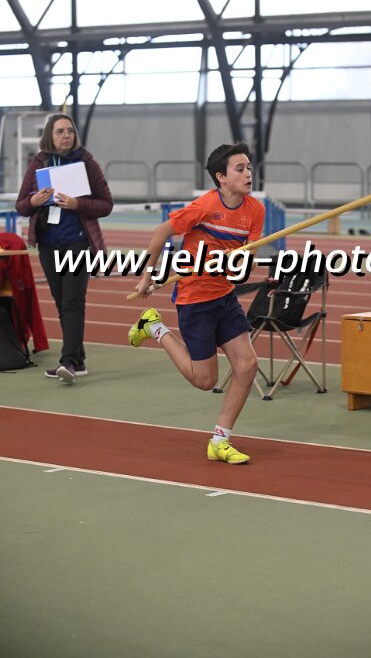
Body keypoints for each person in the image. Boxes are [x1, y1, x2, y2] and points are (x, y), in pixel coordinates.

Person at [128, 142, 265, 464]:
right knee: (205, 380)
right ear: (221, 177)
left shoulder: (255, 210)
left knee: (247, 365)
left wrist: (236, 262)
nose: (248, 173)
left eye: (249, 167)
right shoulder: (203, 207)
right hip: (195, 300)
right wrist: (147, 276)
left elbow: (248, 262)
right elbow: (161, 232)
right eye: (240, 169)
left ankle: (220, 440)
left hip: (225, 296)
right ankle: (154, 327)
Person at [16, 113, 113, 383]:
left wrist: (77, 204)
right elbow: (21, 205)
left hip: (78, 243)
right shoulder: (39, 163)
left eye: (70, 131)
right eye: (60, 131)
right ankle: (78, 360)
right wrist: (35, 201)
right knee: (62, 303)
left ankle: (67, 362)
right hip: (48, 244)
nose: (66, 136)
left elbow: (106, 204)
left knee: (72, 301)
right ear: (50, 135)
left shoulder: (86, 162)